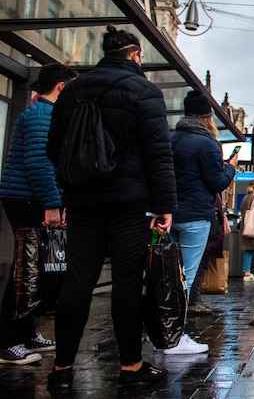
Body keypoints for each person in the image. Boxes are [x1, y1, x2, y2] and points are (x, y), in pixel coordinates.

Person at [45, 26, 177, 390]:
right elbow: (158, 154)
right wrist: (165, 204)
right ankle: (131, 367)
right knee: (127, 281)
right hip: (128, 202)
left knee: (77, 279)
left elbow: (53, 149)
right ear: (135, 56)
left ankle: (62, 370)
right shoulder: (144, 91)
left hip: (82, 200)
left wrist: (73, 185)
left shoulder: (71, 92)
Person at [0, 64, 76, 365]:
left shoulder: (44, 114)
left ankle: (26, 330)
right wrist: (52, 204)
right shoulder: (41, 115)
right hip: (28, 200)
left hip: (33, 199)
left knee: (37, 269)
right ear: (60, 86)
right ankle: (7, 340)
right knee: (24, 272)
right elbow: (40, 164)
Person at [163, 90, 237, 354]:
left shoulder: (173, 139)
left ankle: (161, 334)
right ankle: (175, 337)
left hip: (171, 215)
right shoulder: (207, 144)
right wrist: (230, 168)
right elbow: (216, 182)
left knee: (167, 274)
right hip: (195, 216)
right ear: (207, 117)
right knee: (186, 276)